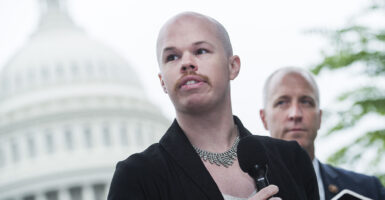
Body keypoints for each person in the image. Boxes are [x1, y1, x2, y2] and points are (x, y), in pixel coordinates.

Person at [107, 12, 319, 200]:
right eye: (172, 56)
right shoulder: (139, 176)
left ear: (233, 66)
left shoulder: (291, 159)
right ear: (162, 81)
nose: (187, 63)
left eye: (201, 51)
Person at [259, 67, 385, 200]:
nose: (295, 114)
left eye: (306, 102)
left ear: (319, 117)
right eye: (282, 102)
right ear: (264, 118)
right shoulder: (244, 193)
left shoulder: (369, 190)